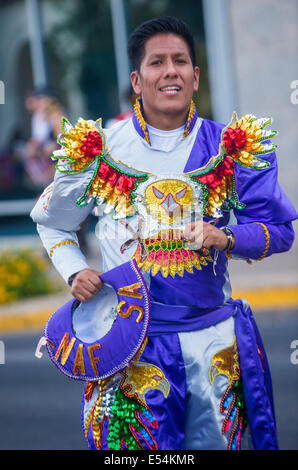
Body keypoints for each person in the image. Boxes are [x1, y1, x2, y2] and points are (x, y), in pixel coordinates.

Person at [31, 16, 297, 451]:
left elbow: (280, 232)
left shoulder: (231, 147)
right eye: (157, 62)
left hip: (212, 345)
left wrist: (225, 237)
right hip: (128, 344)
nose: (170, 70)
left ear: (195, 77)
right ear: (137, 80)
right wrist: (73, 269)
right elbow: (52, 221)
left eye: (181, 61)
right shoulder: (100, 149)